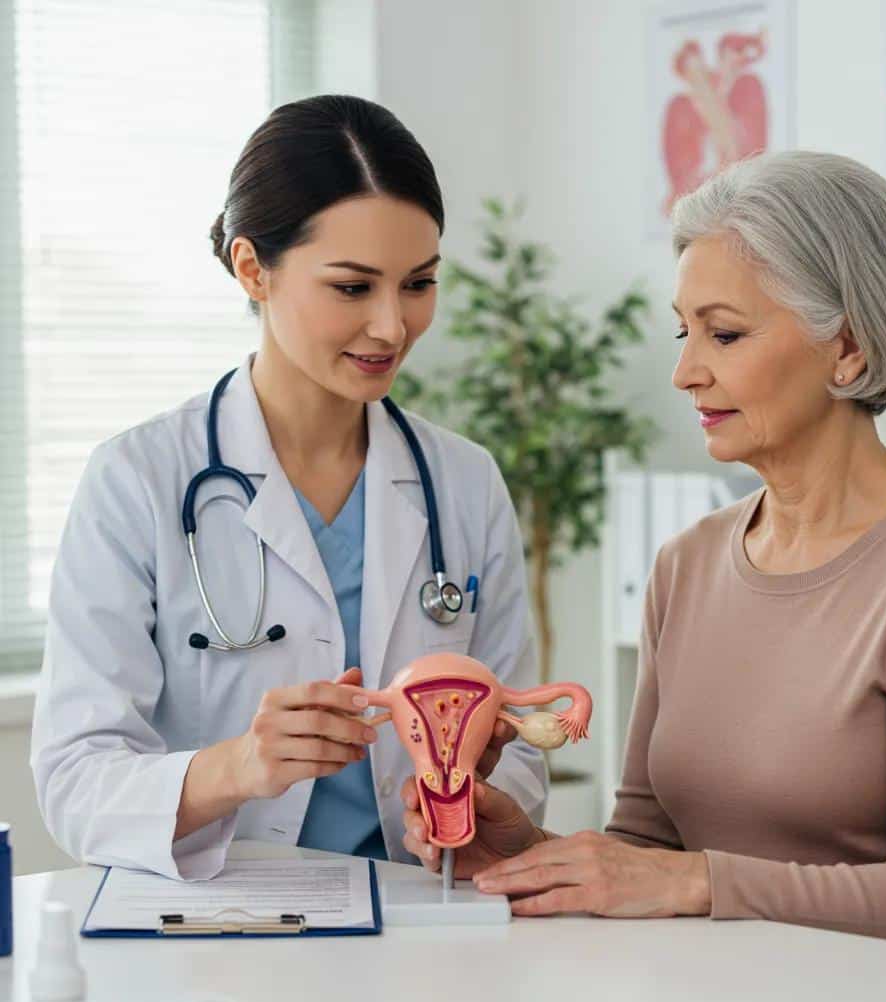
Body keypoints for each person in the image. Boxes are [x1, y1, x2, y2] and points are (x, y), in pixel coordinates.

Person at [405, 151, 886, 954]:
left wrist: (697, 881)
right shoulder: (686, 565)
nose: (684, 372)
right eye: (684, 331)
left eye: (723, 334)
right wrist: (524, 853)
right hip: (703, 995)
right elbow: (645, 846)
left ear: (849, 348)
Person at [31, 95, 546, 881]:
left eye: (418, 284)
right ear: (252, 268)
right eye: (352, 288)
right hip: (219, 915)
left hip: (420, 908)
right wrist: (239, 765)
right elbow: (75, 783)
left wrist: (479, 807)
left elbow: (520, 741)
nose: (392, 326)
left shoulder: (463, 482)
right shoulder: (138, 481)